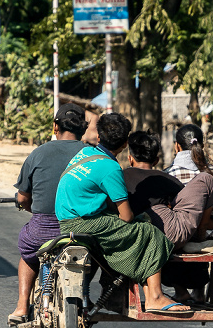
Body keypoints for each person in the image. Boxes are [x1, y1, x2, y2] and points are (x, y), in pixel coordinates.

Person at [55, 113, 190, 314]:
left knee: (130, 231)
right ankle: (154, 297)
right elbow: (126, 216)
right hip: (82, 222)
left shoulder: (83, 154)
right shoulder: (110, 167)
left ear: (99, 137)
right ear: (125, 143)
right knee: (149, 233)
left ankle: (118, 294)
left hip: (66, 218)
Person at [8, 103, 88, 326]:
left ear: (55, 126)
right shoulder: (92, 154)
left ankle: (22, 305)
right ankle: (86, 298)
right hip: (83, 228)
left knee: (28, 252)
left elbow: (23, 198)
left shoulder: (38, 153)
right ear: (83, 128)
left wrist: (33, 209)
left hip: (45, 227)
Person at [124, 131, 213, 303]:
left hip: (143, 234)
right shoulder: (165, 178)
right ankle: (197, 238)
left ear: (130, 158)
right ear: (156, 160)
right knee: (206, 178)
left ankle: (181, 285)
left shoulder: (121, 178)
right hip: (173, 230)